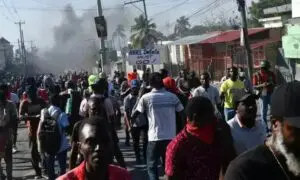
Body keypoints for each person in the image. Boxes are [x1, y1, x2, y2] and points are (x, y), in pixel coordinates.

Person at [224, 81, 300, 180]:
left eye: (253, 103)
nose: (252, 107)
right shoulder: (243, 171)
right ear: (275, 124)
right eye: (298, 128)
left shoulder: (260, 126)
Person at [165, 97, 235, 180]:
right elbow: (172, 176)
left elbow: (229, 160)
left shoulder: (217, 132)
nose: (214, 117)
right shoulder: (177, 146)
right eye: (210, 114)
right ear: (196, 118)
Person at [132, 72, 185, 180]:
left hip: (154, 138)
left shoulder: (146, 98)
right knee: (169, 167)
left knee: (152, 167)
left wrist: (132, 126)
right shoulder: (173, 97)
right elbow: (182, 114)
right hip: (171, 138)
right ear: (162, 83)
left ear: (150, 84)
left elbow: (135, 114)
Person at [57, 117, 131, 180]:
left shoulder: (123, 176)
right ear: (80, 148)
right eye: (91, 142)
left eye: (105, 141)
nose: (99, 148)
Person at [37, 94, 70, 180]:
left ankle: (51, 178)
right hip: (61, 144)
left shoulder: (44, 112)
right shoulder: (62, 114)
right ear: (59, 102)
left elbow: (41, 125)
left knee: (50, 165)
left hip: (48, 143)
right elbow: (65, 128)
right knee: (62, 167)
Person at [19, 83, 46, 179]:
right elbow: (21, 117)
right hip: (32, 132)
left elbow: (47, 111)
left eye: (35, 92)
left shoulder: (41, 101)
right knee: (33, 152)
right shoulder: (25, 103)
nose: (34, 94)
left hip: (43, 130)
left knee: (44, 152)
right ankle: (38, 172)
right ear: (28, 93)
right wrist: (33, 117)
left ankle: (44, 170)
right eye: (31, 93)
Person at [124, 80, 148, 164]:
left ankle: (145, 156)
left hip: (144, 122)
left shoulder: (143, 97)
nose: (135, 90)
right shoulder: (127, 99)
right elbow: (126, 113)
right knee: (135, 142)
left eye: (136, 88)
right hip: (134, 123)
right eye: (133, 88)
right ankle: (138, 157)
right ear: (130, 88)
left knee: (145, 140)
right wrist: (129, 125)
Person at [253, 60, 276, 131]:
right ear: (262, 67)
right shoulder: (256, 75)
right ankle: (265, 128)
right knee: (263, 112)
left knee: (274, 111)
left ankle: (273, 127)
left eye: (267, 68)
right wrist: (262, 85)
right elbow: (254, 86)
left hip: (271, 93)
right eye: (265, 68)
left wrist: (271, 83)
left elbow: (275, 83)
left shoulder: (271, 74)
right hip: (262, 95)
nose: (266, 69)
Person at [0, 84, 17, 180]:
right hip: (7, 134)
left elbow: (14, 119)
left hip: (7, 134)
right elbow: (14, 119)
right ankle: (6, 176)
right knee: (8, 158)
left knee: (8, 157)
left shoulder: (10, 104)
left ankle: (6, 176)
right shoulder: (10, 104)